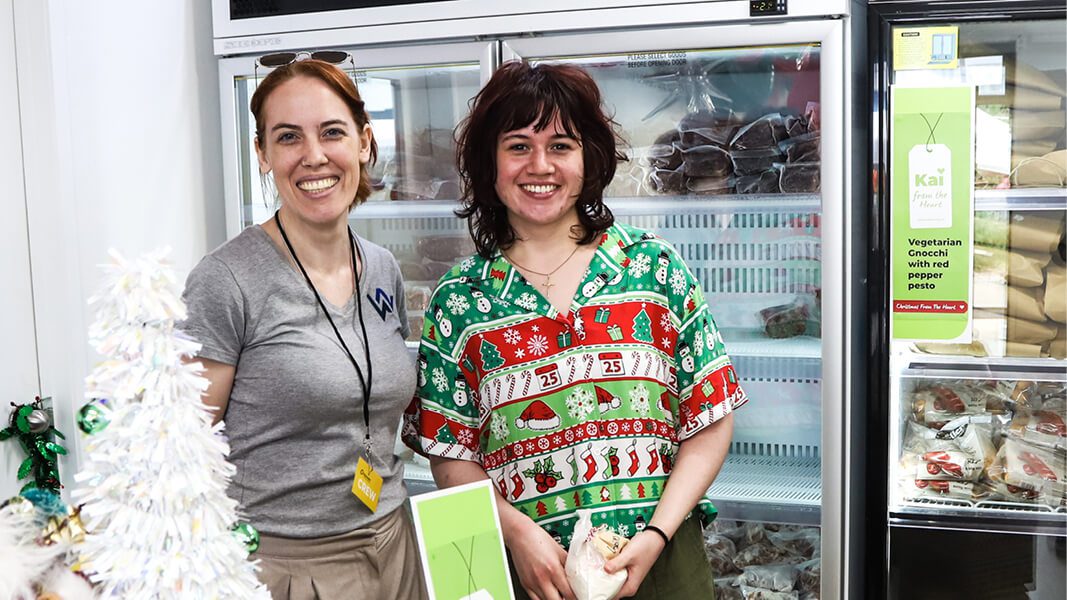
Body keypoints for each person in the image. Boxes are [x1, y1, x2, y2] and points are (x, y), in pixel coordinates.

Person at [403, 61, 747, 600]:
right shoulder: (460, 302)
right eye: (518, 146)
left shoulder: (654, 270)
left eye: (561, 145)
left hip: (661, 563)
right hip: (533, 575)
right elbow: (451, 455)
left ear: (589, 159)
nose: (540, 165)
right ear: (489, 163)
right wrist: (517, 535)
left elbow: (708, 421)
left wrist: (656, 535)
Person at [181, 56, 427, 600]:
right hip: (286, 566)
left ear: (364, 142)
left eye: (332, 132)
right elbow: (182, 451)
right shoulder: (226, 280)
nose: (313, 156)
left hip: (395, 545)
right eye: (288, 137)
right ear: (263, 155)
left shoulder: (382, 267)